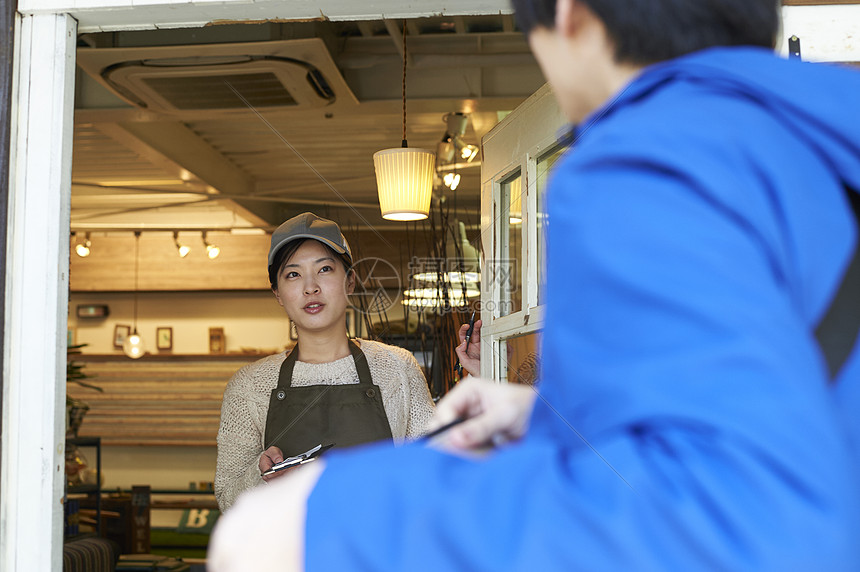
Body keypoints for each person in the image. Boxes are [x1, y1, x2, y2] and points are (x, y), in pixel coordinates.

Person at [209, 0, 860, 569]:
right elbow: (777, 404)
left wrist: (329, 520)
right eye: (293, 274)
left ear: (570, 12)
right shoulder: (824, 134)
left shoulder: (650, 153)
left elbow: (731, 520)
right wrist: (551, 419)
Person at [214, 212, 435, 511]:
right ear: (278, 293)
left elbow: (435, 473)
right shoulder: (249, 385)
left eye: (325, 269)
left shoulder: (398, 367)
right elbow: (228, 500)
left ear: (351, 280)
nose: (310, 287)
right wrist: (262, 476)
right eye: (293, 274)